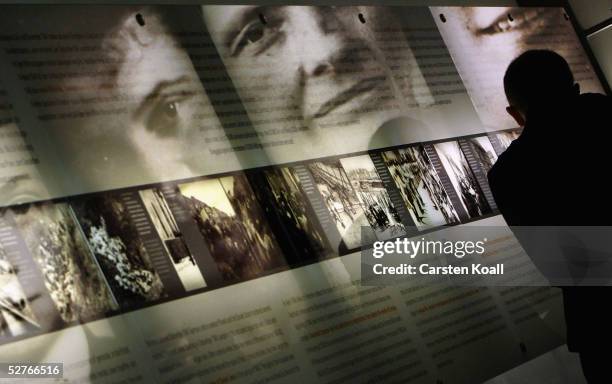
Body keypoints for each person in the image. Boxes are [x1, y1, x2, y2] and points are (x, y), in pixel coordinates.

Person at [487, 50, 612, 383]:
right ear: (573, 88)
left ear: (515, 114)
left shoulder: (509, 174)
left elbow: (558, 267)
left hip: (601, 325)